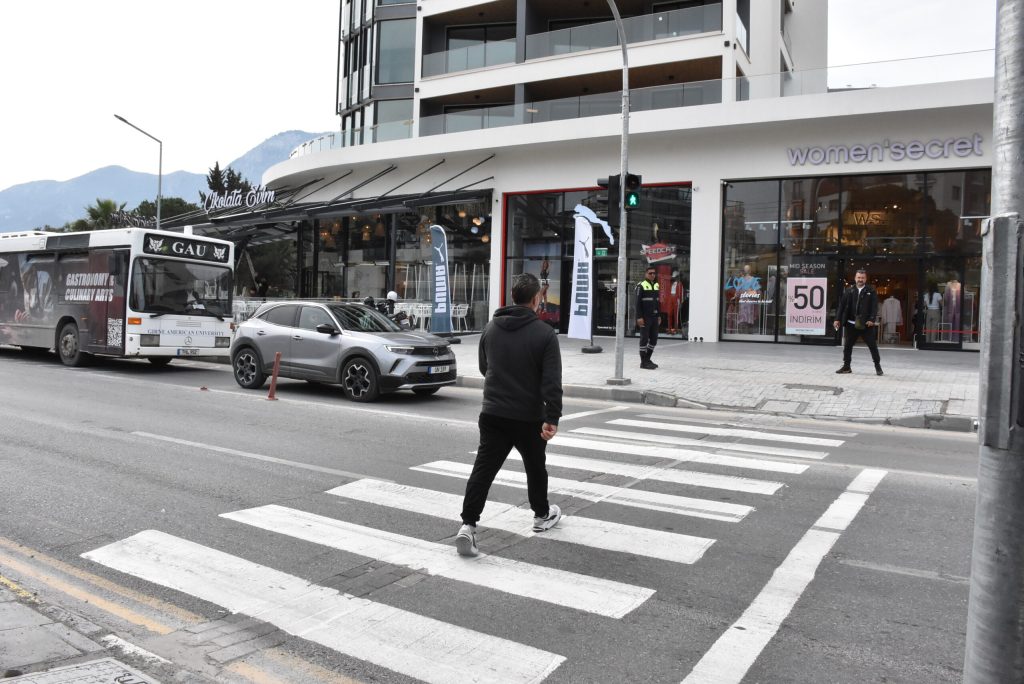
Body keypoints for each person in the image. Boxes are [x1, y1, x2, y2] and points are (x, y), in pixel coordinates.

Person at [455, 272, 563, 557]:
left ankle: (468, 526)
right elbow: (551, 381)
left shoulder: (491, 328)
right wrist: (552, 418)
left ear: (513, 297)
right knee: (535, 468)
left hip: (493, 413)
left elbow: (483, 368)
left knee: (483, 470)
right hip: (528, 416)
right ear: (536, 299)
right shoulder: (544, 333)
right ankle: (541, 516)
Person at [833, 268, 883, 376]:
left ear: (866, 279)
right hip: (851, 324)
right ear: (855, 278)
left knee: (872, 346)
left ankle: (878, 367)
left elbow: (874, 307)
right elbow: (841, 306)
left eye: (862, 278)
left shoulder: (871, 291)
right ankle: (846, 367)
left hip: (866, 325)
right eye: (859, 277)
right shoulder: (849, 291)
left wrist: (871, 319)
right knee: (847, 346)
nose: (860, 279)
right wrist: (837, 319)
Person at [635, 265, 660, 369]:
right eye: (650, 273)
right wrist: (639, 317)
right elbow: (637, 303)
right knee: (644, 339)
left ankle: (647, 359)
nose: (653, 275)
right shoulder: (641, 285)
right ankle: (643, 362)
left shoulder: (656, 285)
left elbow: (658, 302)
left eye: (654, 273)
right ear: (646, 274)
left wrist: (659, 315)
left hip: (654, 317)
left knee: (654, 339)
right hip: (645, 317)